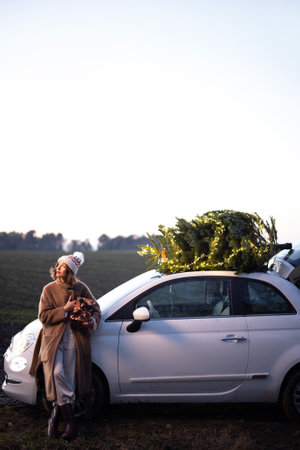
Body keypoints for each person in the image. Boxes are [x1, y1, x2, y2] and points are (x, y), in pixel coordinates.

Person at [29, 252, 101, 440]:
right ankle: (70, 422)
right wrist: (64, 310)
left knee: (69, 379)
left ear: (70, 270)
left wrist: (92, 321)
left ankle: (55, 417)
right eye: (58, 264)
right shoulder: (49, 289)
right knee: (57, 373)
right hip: (53, 341)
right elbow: (43, 316)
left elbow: (96, 308)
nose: (58, 267)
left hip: (74, 340)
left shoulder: (81, 288)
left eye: (62, 266)